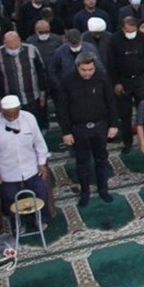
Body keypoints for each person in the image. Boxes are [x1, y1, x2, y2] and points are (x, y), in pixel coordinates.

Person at [57, 52, 118, 207]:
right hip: (79, 129)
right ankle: (85, 192)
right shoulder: (67, 80)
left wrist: (113, 124)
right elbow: (62, 108)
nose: (87, 73)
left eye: (90, 69)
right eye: (84, 70)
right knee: (82, 162)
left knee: (101, 160)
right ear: (77, 67)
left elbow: (111, 101)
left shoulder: (102, 77)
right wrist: (66, 131)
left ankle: (103, 189)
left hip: (100, 127)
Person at [0, 94, 50, 231]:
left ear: (19, 109)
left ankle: (40, 219)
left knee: (41, 193)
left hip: (30, 167)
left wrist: (42, 163)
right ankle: (19, 224)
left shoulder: (29, 118)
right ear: (2, 111)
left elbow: (39, 143)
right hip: (7, 170)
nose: (12, 118)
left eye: (15, 114)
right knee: (10, 199)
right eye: (8, 115)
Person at [108, 17, 144, 154]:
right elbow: (111, 63)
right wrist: (116, 82)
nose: (132, 30)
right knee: (125, 114)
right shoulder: (114, 40)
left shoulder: (142, 38)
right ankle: (127, 142)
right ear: (123, 27)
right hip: (123, 81)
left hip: (140, 80)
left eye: (134, 27)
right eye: (129, 28)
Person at [0, 31, 49, 130]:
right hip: (9, 100)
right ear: (4, 43)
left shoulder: (32, 50)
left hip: (32, 97)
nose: (13, 49)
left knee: (34, 127)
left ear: (19, 40)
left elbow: (41, 73)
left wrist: (42, 94)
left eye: (15, 46)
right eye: (10, 47)